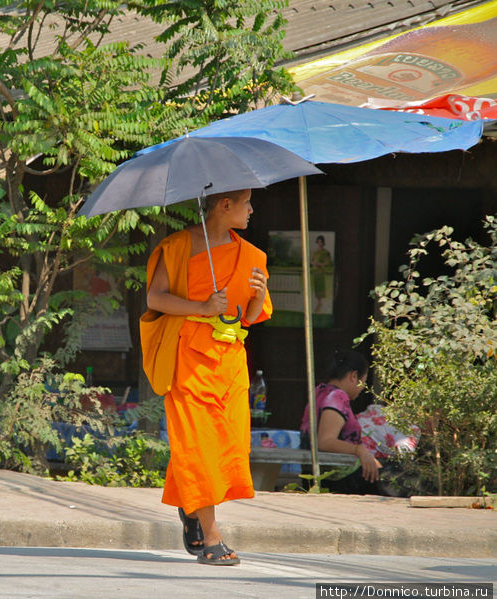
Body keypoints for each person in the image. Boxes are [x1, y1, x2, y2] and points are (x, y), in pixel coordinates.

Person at [145, 189, 273, 566]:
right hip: (188, 356)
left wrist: (257, 295)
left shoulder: (253, 256)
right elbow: (156, 298)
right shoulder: (178, 246)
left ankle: (191, 502)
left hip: (231, 360)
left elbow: (250, 316)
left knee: (226, 444)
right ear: (224, 205)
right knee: (197, 442)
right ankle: (213, 535)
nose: (251, 210)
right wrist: (201, 306)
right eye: (246, 202)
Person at [299, 349, 382, 494]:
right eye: (363, 381)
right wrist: (359, 450)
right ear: (354, 376)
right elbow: (325, 441)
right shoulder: (337, 397)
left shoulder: (319, 391)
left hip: (315, 473)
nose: (363, 388)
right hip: (338, 478)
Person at [310, 235, 332, 313]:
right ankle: (318, 302)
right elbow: (312, 261)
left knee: (320, 287)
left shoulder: (326, 252)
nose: (320, 243)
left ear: (323, 243)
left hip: (321, 272)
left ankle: (320, 303)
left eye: (321, 242)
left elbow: (327, 262)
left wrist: (319, 264)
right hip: (315, 272)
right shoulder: (315, 252)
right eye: (318, 242)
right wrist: (313, 263)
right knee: (316, 287)